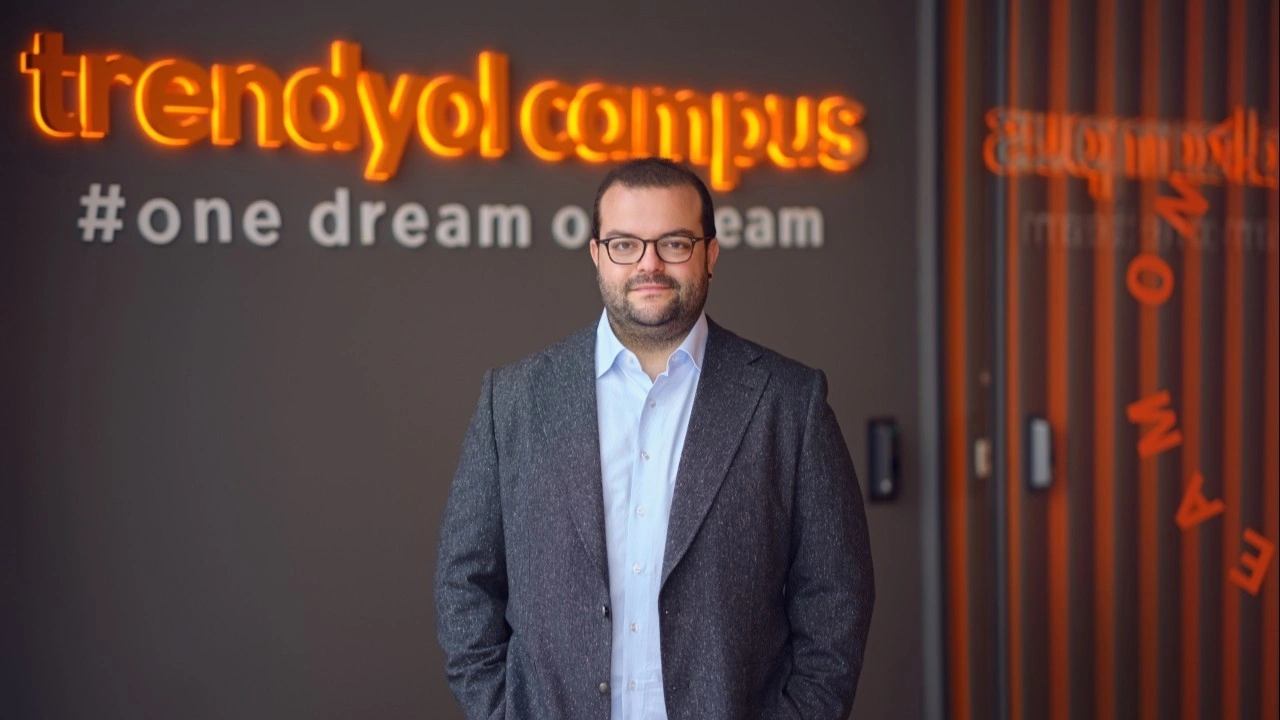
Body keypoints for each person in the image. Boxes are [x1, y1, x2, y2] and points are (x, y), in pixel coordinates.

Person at [434, 157, 874, 720]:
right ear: (596, 255)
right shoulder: (515, 399)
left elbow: (837, 592)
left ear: (710, 255)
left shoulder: (790, 402)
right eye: (625, 244)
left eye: (674, 243)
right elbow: (464, 582)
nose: (649, 264)